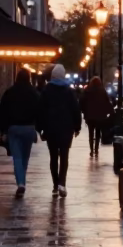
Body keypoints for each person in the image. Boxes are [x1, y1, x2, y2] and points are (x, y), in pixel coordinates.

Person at [38, 63, 81, 197]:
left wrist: (40, 129)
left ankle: (55, 185)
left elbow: (41, 111)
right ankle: (62, 183)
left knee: (53, 157)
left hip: (51, 128)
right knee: (64, 156)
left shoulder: (46, 91)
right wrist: (77, 126)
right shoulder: (69, 91)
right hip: (65, 128)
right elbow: (75, 110)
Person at [0, 69, 42, 196]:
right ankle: (22, 180)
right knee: (25, 157)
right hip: (29, 128)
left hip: (13, 128)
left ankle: (20, 183)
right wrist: (39, 129)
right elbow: (39, 111)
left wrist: (3, 130)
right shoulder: (33, 93)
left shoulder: (9, 93)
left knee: (17, 157)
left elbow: (2, 112)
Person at [80, 76, 114, 157]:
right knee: (98, 133)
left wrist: (84, 111)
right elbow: (107, 102)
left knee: (91, 133)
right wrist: (111, 111)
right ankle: (96, 149)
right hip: (100, 116)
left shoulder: (87, 91)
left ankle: (91, 150)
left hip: (90, 116)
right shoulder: (102, 91)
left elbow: (82, 102)